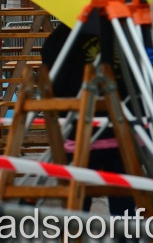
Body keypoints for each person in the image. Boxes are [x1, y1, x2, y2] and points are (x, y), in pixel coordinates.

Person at [40, 22, 135, 216]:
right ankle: (126, 237)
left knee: (77, 205)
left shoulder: (60, 38)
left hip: (78, 132)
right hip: (122, 131)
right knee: (124, 207)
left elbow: (53, 83)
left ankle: (75, 235)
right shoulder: (125, 31)